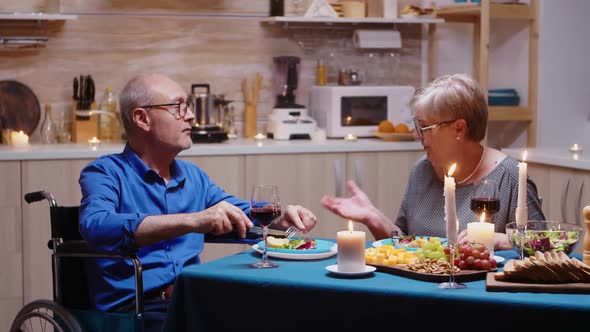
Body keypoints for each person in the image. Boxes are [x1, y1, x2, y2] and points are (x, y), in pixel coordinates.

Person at [78, 73, 318, 331]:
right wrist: (193, 220)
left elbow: (240, 215)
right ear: (142, 119)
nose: (191, 116)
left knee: (282, 313)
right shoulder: (105, 173)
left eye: (189, 106)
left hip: (192, 300)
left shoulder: (194, 177)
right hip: (136, 310)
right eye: (178, 107)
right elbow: (96, 225)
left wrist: (279, 222)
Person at [321, 73, 544, 251]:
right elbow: (405, 245)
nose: (417, 135)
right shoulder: (422, 170)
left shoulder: (510, 177)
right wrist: (374, 218)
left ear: (459, 128)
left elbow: (546, 247)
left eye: (424, 127)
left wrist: (506, 241)